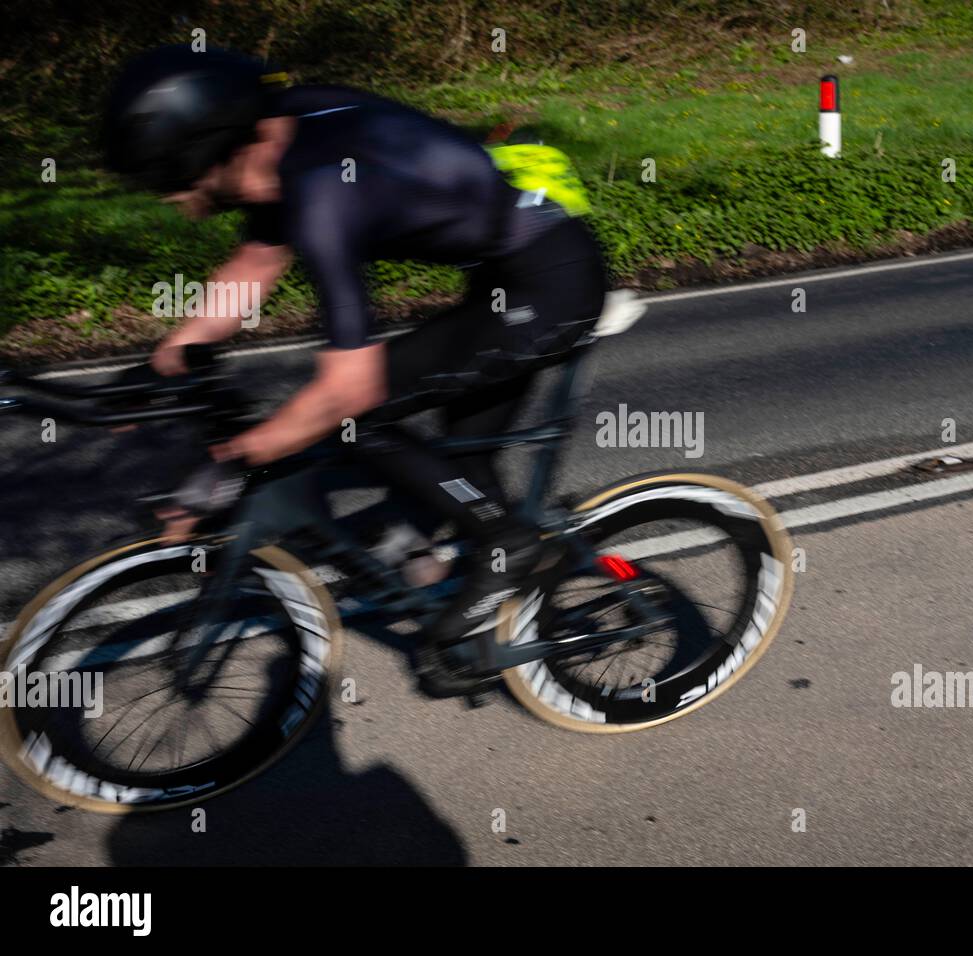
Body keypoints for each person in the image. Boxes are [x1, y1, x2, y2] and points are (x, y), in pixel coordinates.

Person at [104, 45, 609, 695]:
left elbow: (350, 386)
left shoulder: (321, 191)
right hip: (509, 276)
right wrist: (164, 364)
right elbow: (256, 264)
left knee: (353, 418)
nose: (170, 199)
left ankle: (511, 546)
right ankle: (485, 601)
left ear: (200, 156)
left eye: (168, 182)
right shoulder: (277, 141)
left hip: (551, 287)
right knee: (459, 467)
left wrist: (235, 461)